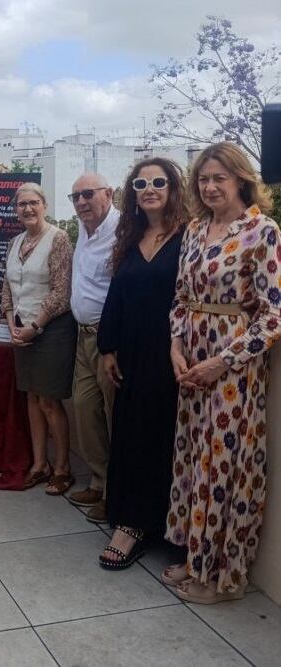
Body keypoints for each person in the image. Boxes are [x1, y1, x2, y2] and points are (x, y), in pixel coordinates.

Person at [164, 142, 281, 604]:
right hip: (191, 363)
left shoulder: (262, 231)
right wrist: (176, 345)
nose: (210, 187)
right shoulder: (194, 229)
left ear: (240, 180)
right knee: (193, 462)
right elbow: (180, 297)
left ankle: (217, 576)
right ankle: (195, 558)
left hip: (232, 371)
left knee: (222, 469)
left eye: (219, 178)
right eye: (203, 179)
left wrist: (222, 361)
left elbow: (274, 316)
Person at [96, 158, 189, 569]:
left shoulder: (191, 236)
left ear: (173, 188)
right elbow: (116, 296)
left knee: (170, 440)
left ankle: (170, 526)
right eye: (140, 183)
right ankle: (131, 523)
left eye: (158, 181)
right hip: (133, 354)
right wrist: (108, 347)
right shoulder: (130, 237)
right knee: (133, 435)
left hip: (174, 354)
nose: (149, 188)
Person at [1, 183, 76, 495]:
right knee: (31, 398)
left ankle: (62, 468)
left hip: (52, 330)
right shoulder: (15, 241)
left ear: (44, 205)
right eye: (22, 205)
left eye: (33, 203)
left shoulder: (58, 239)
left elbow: (61, 291)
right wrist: (11, 324)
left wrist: (36, 325)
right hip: (21, 329)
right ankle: (38, 464)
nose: (27, 209)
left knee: (48, 401)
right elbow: (7, 286)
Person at [67, 172, 120, 522]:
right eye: (76, 197)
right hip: (82, 336)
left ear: (108, 193)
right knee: (86, 411)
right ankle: (99, 482)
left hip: (109, 339)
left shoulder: (123, 232)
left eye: (88, 194)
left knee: (115, 416)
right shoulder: (84, 232)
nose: (82, 202)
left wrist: (112, 342)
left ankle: (118, 494)